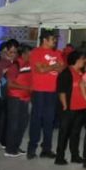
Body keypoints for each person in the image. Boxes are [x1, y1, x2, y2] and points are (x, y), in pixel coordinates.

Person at [27, 31, 64, 159]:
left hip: (52, 91)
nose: (55, 41)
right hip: (39, 90)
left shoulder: (57, 53)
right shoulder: (36, 52)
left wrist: (48, 67)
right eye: (53, 39)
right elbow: (40, 70)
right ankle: (32, 148)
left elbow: (61, 68)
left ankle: (46, 149)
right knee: (36, 119)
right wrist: (53, 66)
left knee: (49, 120)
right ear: (44, 40)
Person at [55, 50, 86, 166]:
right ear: (77, 60)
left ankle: (75, 155)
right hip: (69, 108)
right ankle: (59, 157)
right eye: (82, 59)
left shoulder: (81, 72)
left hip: (81, 108)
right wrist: (65, 105)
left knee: (76, 133)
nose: (84, 61)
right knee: (64, 133)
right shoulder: (66, 73)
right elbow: (61, 91)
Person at [4, 45, 33, 158]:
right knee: (14, 124)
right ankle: (10, 149)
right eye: (30, 54)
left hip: (25, 98)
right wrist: (26, 88)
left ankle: (16, 146)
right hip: (15, 97)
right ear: (24, 54)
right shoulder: (15, 65)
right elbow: (10, 84)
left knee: (22, 123)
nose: (32, 56)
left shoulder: (29, 64)